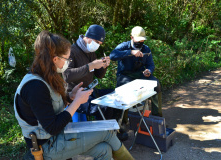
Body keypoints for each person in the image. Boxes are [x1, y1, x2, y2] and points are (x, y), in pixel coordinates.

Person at [14, 30, 134, 160]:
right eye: (67, 59)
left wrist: (69, 96)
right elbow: (52, 127)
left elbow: (48, 105)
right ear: (55, 59)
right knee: (108, 132)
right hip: (46, 146)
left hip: (57, 136)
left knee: (104, 150)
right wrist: (76, 102)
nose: (68, 62)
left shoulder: (46, 76)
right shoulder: (35, 87)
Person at [110, 26, 163, 140]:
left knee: (156, 84)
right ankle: (122, 123)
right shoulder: (124, 46)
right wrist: (130, 52)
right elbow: (112, 55)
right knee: (124, 90)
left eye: (142, 40)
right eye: (138, 40)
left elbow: (150, 64)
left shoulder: (146, 49)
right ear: (132, 37)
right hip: (125, 75)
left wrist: (149, 71)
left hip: (140, 75)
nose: (140, 42)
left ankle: (156, 118)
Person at [63, 24, 113, 120]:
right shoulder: (71, 51)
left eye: (100, 44)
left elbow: (99, 75)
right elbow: (67, 75)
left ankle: (114, 130)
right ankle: (103, 133)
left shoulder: (90, 52)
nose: (97, 45)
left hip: (90, 91)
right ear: (88, 37)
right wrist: (90, 66)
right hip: (74, 94)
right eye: (97, 42)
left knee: (113, 97)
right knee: (103, 109)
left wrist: (104, 66)